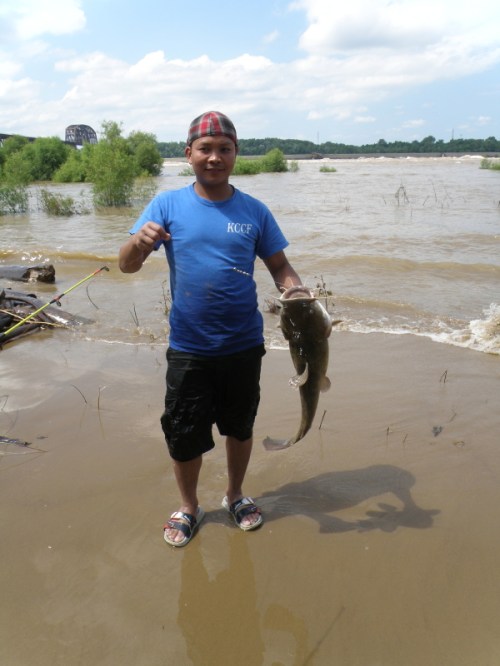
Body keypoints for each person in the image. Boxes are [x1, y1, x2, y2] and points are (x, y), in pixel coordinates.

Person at [119, 111, 302, 547]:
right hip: (189, 348)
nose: (214, 157)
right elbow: (125, 265)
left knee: (239, 428)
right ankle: (189, 506)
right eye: (206, 148)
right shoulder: (166, 205)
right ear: (188, 155)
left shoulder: (255, 211)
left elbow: (280, 266)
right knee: (184, 434)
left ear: (236, 154)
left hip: (243, 346)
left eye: (224, 148)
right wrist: (138, 243)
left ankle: (235, 495)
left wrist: (297, 293)